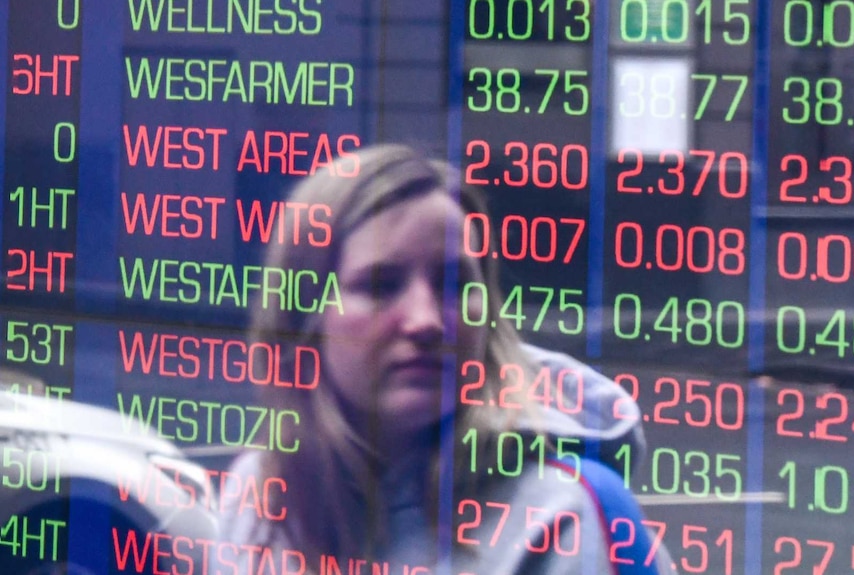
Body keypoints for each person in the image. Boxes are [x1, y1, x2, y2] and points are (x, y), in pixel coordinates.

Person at [215, 144, 673, 574]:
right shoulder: (257, 495)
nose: (426, 320)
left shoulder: (563, 514)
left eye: (455, 285)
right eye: (382, 285)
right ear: (302, 319)